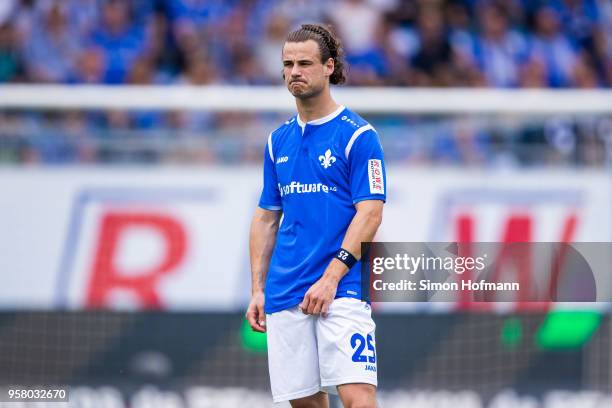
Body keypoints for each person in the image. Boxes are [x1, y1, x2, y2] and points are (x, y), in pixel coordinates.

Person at [246, 23, 386, 408]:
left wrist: (331, 277)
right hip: (285, 291)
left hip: (342, 289)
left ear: (328, 66)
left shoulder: (359, 136)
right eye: (288, 64)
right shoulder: (278, 141)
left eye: (304, 63)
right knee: (305, 403)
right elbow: (265, 217)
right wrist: (258, 288)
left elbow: (371, 213)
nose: (294, 72)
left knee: (358, 396)